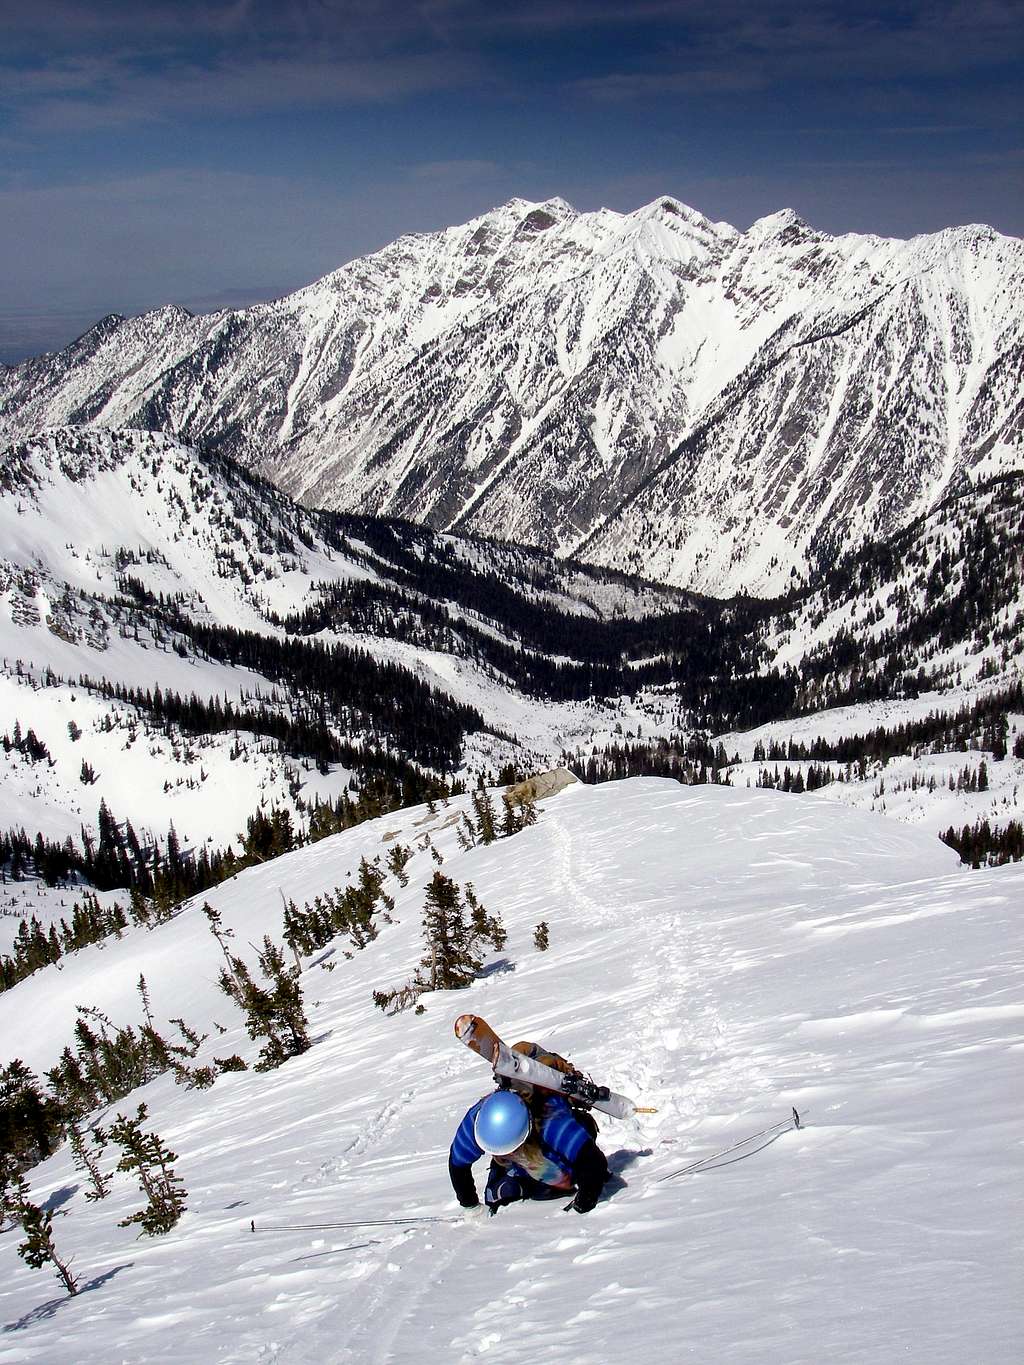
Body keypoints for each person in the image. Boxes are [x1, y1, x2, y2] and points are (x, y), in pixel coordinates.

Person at [449, 1072, 609, 1216]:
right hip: (519, 1161)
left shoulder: (552, 1122)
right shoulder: (477, 1121)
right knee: (499, 1195)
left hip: (554, 1150)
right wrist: (471, 1206)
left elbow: (594, 1162)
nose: (506, 1154)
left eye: (512, 1150)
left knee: (562, 1181)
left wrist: (582, 1203)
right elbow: (458, 1164)